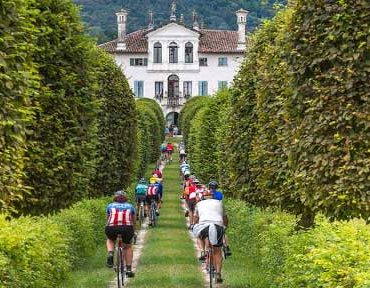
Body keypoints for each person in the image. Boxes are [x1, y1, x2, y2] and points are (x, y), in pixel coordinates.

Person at [192, 193, 228, 284]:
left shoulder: (199, 204)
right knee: (217, 251)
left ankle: (203, 251)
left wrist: (195, 225)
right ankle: (218, 274)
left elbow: (196, 218)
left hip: (204, 226)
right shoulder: (220, 203)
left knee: (199, 236)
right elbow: (225, 218)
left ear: (203, 198)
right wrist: (225, 227)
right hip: (217, 226)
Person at [105, 190, 136, 277]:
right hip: (127, 228)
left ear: (115, 198)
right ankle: (129, 269)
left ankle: (111, 253)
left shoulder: (110, 206)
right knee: (128, 246)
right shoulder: (130, 206)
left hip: (111, 227)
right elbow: (133, 221)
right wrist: (134, 231)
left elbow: (107, 220)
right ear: (125, 199)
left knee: (110, 239)